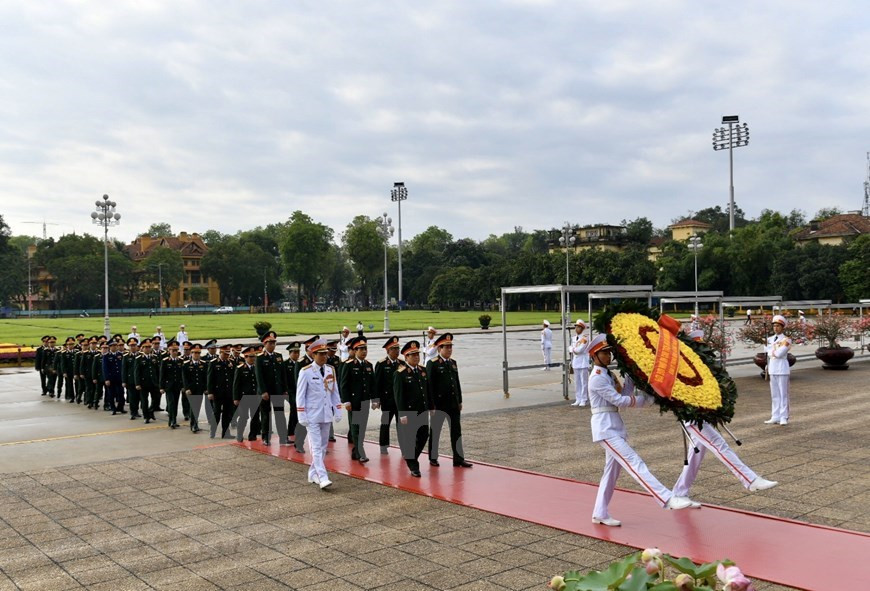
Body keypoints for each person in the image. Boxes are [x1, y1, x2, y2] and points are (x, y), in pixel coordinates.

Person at [587, 334, 692, 527]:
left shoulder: (608, 375)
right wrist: (647, 400)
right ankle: (666, 498)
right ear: (594, 355)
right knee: (635, 462)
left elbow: (624, 395)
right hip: (605, 428)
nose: (608, 356)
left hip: (613, 426)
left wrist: (630, 375)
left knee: (610, 473)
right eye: (604, 353)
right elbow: (619, 401)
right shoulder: (597, 378)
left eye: (609, 352)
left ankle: (600, 512)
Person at [296, 338, 343, 489]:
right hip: (312, 415)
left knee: (323, 447)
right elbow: (300, 395)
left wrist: (337, 409)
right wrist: (301, 415)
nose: (324, 356)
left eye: (325, 354)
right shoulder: (306, 372)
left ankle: (313, 473)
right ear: (313, 354)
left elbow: (334, 392)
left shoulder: (330, 369)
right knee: (316, 447)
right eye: (321, 354)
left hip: (325, 414)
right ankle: (323, 477)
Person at [426, 333, 472, 468]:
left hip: (453, 403)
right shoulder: (432, 364)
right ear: (439, 349)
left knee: (456, 432)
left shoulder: (453, 363)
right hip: (439, 405)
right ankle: (433, 458)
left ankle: (458, 458)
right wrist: (431, 405)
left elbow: (456, 383)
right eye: (446, 347)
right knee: (435, 431)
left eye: (451, 347)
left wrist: (460, 401)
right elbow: (429, 386)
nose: (449, 350)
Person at [394, 340, 429, 477]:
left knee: (424, 435)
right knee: (410, 438)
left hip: (422, 410)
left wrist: (430, 406)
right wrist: (402, 414)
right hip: (409, 411)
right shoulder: (400, 373)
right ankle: (414, 466)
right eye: (412, 355)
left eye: (417, 354)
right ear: (406, 357)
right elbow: (399, 396)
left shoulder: (422, 370)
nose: (416, 357)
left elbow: (426, 390)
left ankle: (411, 457)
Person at [339, 336, 374, 463]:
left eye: (365, 349)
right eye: (361, 349)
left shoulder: (369, 365)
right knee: (355, 427)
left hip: (364, 401)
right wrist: (346, 401)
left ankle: (356, 451)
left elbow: (372, 384)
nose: (364, 351)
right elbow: (344, 384)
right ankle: (360, 452)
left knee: (362, 427)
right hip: (353, 402)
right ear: (355, 350)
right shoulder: (348, 365)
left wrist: (375, 399)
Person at [254, 331, 288, 446]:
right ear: (265, 344)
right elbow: (259, 376)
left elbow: (283, 375)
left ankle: (283, 437)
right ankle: (265, 437)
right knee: (265, 415)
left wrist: (284, 389)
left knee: (280, 414)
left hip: (277, 390)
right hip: (266, 392)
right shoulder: (259, 358)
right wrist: (263, 391)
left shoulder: (278, 356)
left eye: (274, 343)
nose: (273, 345)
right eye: (270, 343)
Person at [374, 336, 402, 454]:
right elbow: (377, 383)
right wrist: (377, 399)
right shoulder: (381, 364)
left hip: (399, 401)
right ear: (388, 350)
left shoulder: (402, 363)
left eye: (397, 348)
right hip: (387, 400)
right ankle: (383, 445)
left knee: (401, 425)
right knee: (385, 423)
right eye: (394, 349)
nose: (397, 351)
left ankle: (404, 446)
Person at [765, 315, 792, 426]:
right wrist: (772, 352)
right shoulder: (769, 339)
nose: (775, 328)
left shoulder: (787, 340)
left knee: (783, 394)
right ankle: (775, 416)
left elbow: (780, 354)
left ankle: (784, 416)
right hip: (772, 368)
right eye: (774, 326)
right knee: (774, 394)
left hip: (782, 369)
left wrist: (772, 352)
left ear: (782, 327)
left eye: (778, 326)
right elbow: (767, 353)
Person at [233, 346, 262, 442]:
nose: (253, 358)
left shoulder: (257, 367)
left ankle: (252, 435)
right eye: (250, 357)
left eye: (254, 356)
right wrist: (236, 398)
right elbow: (236, 385)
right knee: (243, 417)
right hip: (244, 397)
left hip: (255, 396)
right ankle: (239, 434)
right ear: (245, 357)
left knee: (255, 417)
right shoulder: (240, 368)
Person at [207, 343, 235, 438]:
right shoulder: (214, 363)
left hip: (228, 393)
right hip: (218, 393)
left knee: (227, 414)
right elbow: (210, 379)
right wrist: (210, 392)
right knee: (216, 413)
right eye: (225, 354)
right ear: (220, 352)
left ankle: (226, 432)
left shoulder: (231, 362)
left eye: (228, 354)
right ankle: (213, 431)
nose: (227, 356)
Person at [134, 340, 161, 424]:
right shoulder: (139, 359)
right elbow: (136, 372)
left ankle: (151, 411)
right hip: (143, 383)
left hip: (154, 382)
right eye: (146, 347)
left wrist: (159, 382)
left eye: (149, 347)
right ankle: (146, 416)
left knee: (156, 399)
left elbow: (158, 371)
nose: (148, 349)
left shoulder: (154, 357)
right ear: (142, 348)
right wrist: (137, 383)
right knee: (144, 401)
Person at [183, 344, 208, 433]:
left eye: (198, 353)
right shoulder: (186, 364)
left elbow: (205, 377)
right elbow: (184, 378)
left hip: (200, 388)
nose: (197, 355)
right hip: (191, 389)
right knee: (193, 407)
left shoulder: (204, 364)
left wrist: (206, 388)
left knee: (197, 407)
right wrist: (187, 388)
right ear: (191, 353)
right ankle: (194, 425)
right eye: (195, 353)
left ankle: (194, 424)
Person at [160, 340, 185, 429]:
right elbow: (162, 375)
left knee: (176, 403)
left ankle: (173, 419)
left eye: (176, 350)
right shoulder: (165, 361)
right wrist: (161, 387)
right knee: (171, 403)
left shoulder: (181, 361)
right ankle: (172, 420)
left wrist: (183, 386)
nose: (174, 352)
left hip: (177, 386)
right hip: (169, 386)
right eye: (172, 350)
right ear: (169, 351)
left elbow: (182, 375)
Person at [284, 341, 303, 449]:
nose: (296, 354)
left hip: (299, 391)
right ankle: (290, 431)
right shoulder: (286, 364)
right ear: (290, 353)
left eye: (298, 352)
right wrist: (285, 390)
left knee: (297, 412)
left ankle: (295, 430)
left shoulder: (300, 363)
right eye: (294, 352)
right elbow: (284, 378)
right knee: (294, 410)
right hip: (290, 391)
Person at [570, 320, 590, 406]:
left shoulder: (585, 338)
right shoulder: (574, 338)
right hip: (576, 362)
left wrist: (573, 349)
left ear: (582, 328)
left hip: (583, 362)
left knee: (584, 382)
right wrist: (573, 349)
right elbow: (570, 348)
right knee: (577, 382)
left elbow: (580, 350)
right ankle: (578, 398)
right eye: (576, 327)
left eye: (578, 327)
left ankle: (584, 399)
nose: (576, 328)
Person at [103, 339, 125, 415]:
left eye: (116, 345)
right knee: (111, 394)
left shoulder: (121, 355)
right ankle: (113, 408)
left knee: (121, 394)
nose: (115, 347)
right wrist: (107, 379)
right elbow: (105, 368)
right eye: (113, 346)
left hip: (119, 378)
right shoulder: (106, 356)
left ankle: (120, 407)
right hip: (111, 378)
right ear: (109, 347)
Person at [123, 338, 141, 419]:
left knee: (138, 397)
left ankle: (136, 411)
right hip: (130, 380)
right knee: (132, 397)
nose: (133, 347)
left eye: (134, 346)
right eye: (131, 346)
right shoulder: (126, 357)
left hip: (139, 380)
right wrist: (124, 381)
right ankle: (132, 412)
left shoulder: (140, 355)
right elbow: (124, 370)